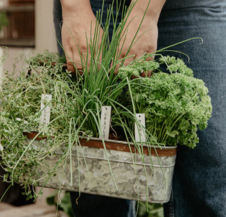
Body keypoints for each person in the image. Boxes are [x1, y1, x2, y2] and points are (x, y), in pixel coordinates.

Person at [53, 0, 226, 216]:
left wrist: (145, 11)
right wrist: (74, 8)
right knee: (97, 183)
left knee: (208, 171)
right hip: (93, 8)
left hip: (191, 6)